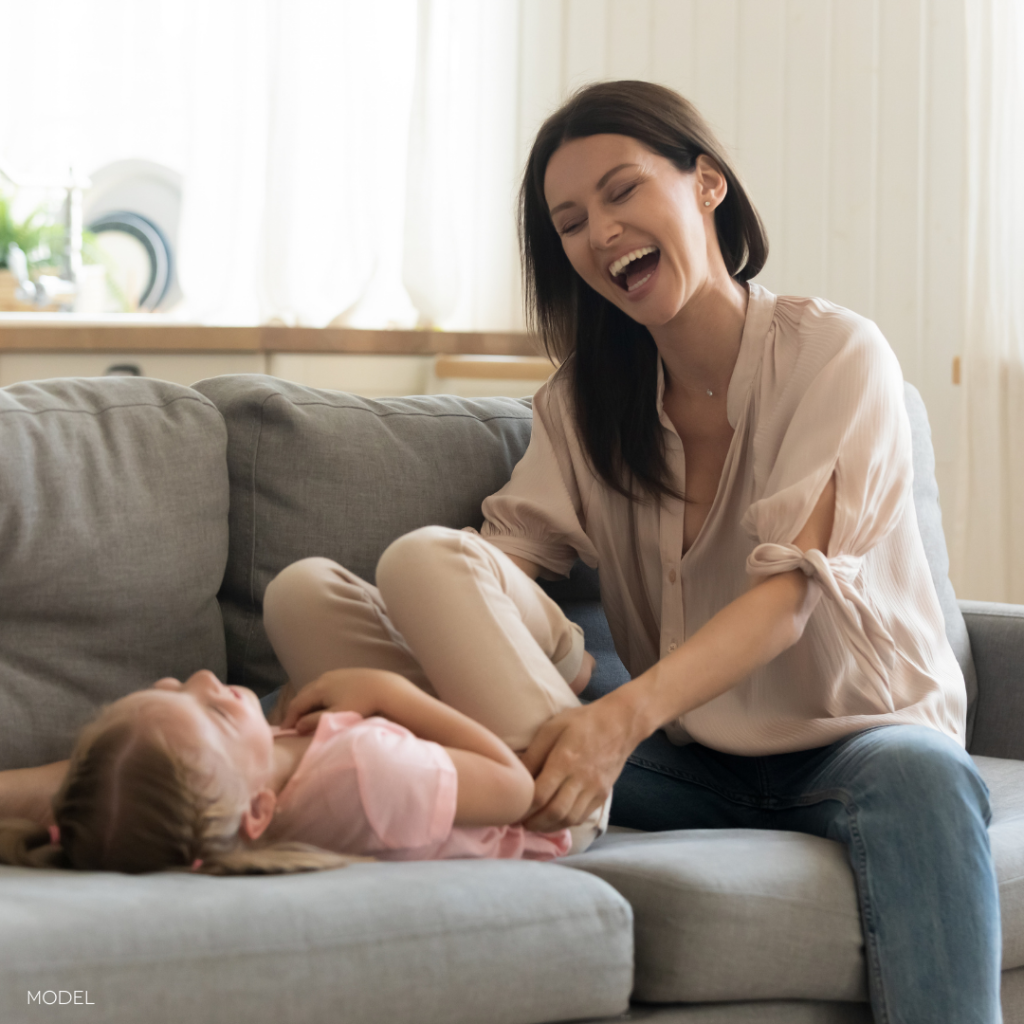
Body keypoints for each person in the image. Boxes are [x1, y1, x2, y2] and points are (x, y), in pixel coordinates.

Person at [452, 78, 994, 1023]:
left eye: (623, 191)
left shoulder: (837, 355)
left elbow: (788, 599)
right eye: (571, 220)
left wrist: (614, 722)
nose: (600, 232)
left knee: (927, 774)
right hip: (692, 760)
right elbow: (503, 564)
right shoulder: (580, 407)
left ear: (707, 185)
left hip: (858, 741)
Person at [0, 665, 571, 873]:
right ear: (258, 812)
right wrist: (385, 689)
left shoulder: (244, 786)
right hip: (551, 795)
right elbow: (517, 790)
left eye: (171, 689)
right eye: (218, 711)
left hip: (445, 768)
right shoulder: (368, 771)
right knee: (427, 568)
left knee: (302, 592)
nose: (203, 676)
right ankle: (564, 650)